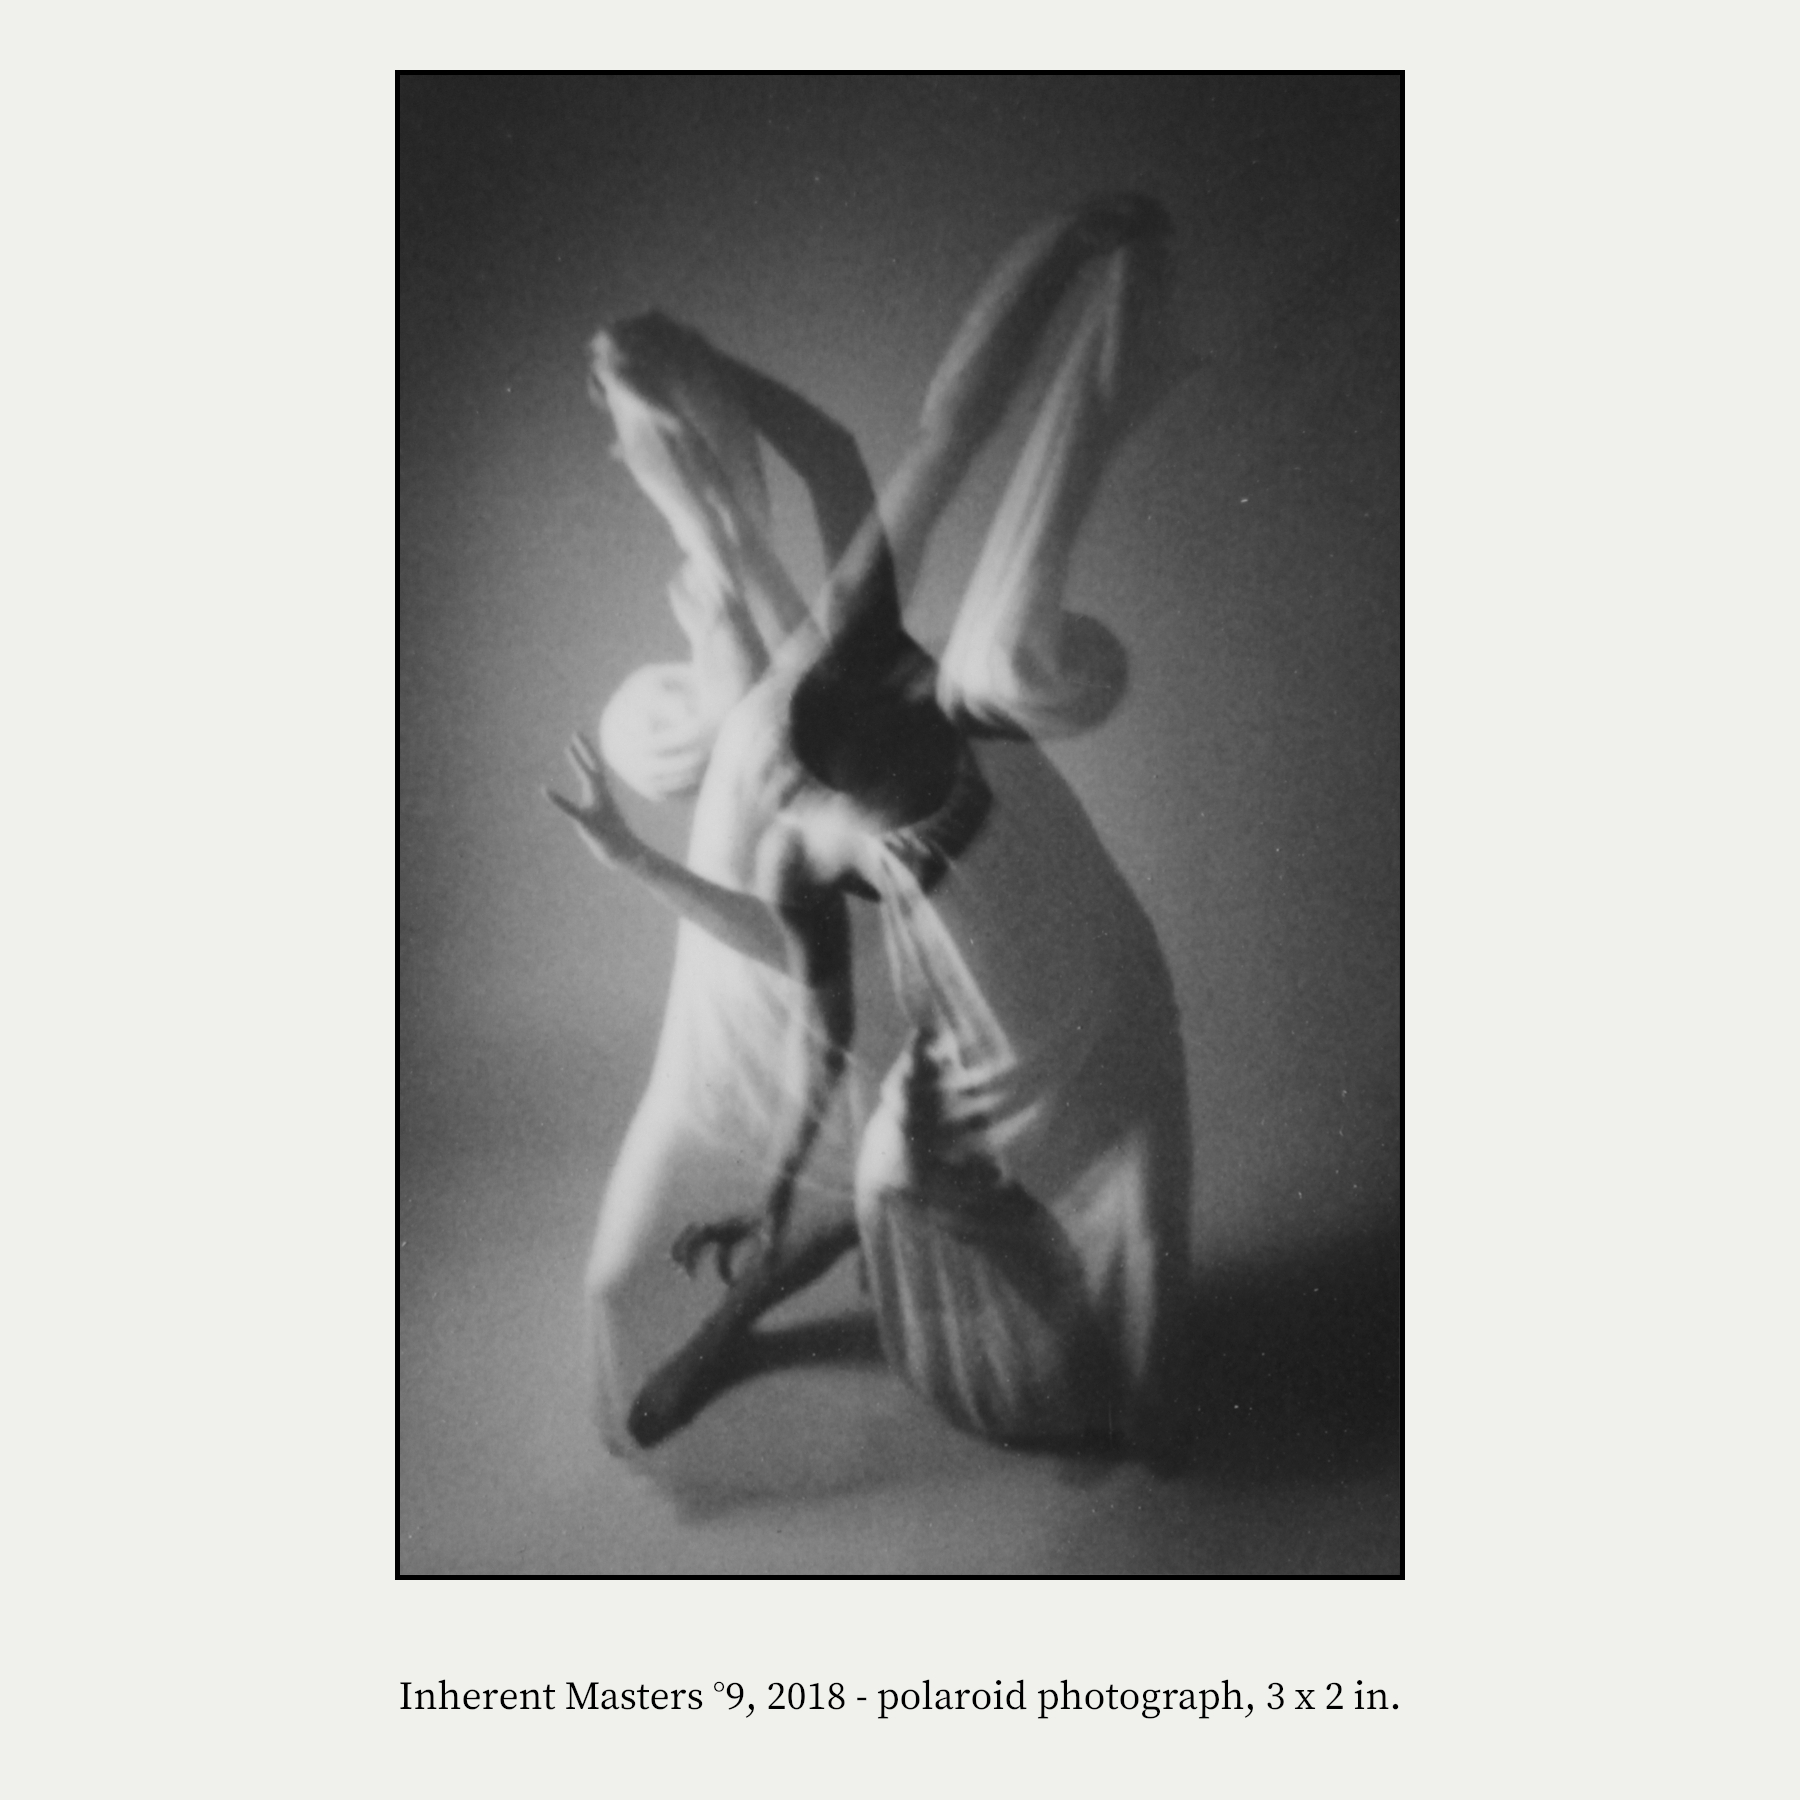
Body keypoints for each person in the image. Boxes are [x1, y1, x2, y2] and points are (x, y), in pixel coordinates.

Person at [552, 195, 1193, 1456]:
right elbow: (815, 1015)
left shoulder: (862, 630)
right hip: (939, 980)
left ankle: (1108, 1360)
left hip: (1022, 907)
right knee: (892, 1171)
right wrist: (632, 859)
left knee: (1005, 657)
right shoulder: (796, 833)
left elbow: (916, 435)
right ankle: (777, 1321)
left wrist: (1062, 253)